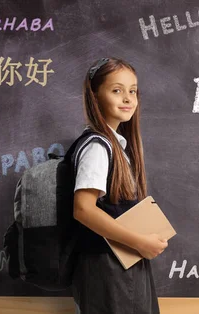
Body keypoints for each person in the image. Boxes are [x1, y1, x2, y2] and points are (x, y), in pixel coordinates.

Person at [71, 57, 168, 314]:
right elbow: (83, 209)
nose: (127, 98)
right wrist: (139, 242)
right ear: (95, 96)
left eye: (132, 91)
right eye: (117, 90)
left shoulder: (116, 145)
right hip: (109, 266)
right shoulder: (96, 146)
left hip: (123, 263)